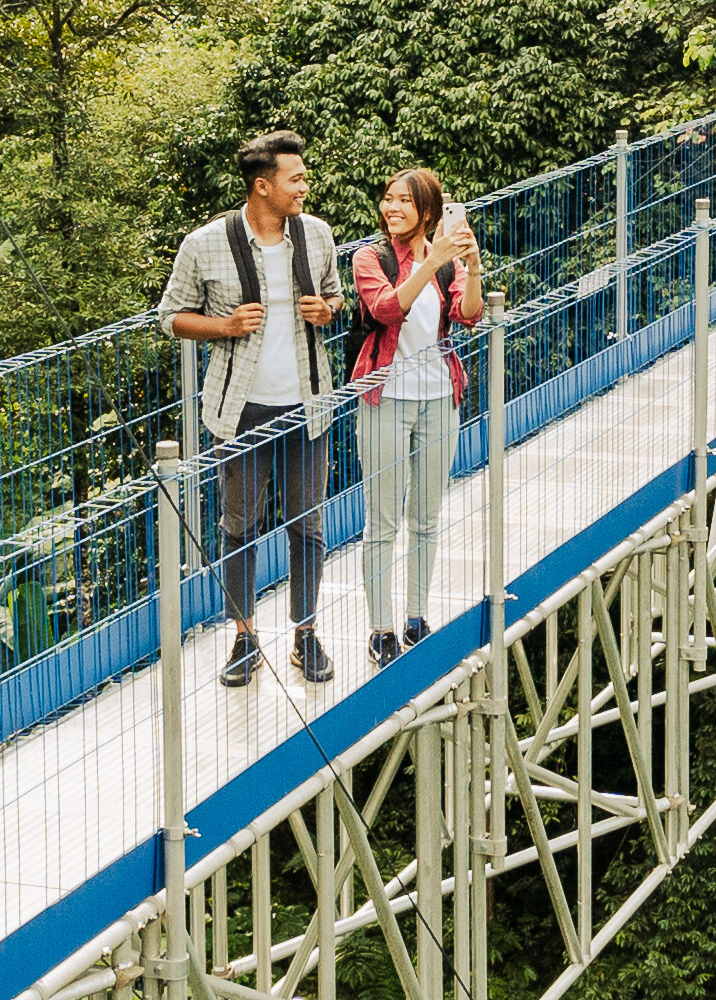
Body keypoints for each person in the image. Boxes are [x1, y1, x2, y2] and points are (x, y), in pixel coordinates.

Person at [158, 130, 340, 687]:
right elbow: (170, 317)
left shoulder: (317, 235)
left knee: (308, 525)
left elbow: (335, 295)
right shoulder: (204, 244)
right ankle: (244, 637)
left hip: (308, 405)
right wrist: (225, 326)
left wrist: (328, 310)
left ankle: (305, 635)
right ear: (263, 186)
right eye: (296, 179)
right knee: (239, 526)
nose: (305, 187)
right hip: (239, 411)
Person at [344, 167, 486, 652]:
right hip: (385, 400)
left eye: (404, 201)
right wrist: (432, 261)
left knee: (426, 518)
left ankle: (416, 617)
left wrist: (471, 264)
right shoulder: (371, 258)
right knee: (382, 521)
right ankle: (381, 628)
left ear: (429, 211)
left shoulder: (446, 262)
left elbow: (468, 315)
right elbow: (386, 309)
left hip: (439, 400)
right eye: (388, 199)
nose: (392, 208)